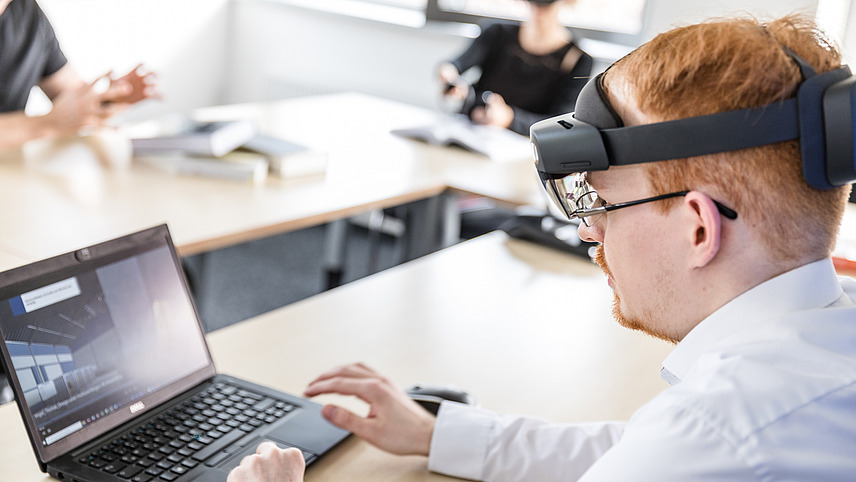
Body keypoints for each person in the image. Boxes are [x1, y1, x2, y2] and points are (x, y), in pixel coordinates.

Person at [228, 14, 856, 482]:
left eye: (603, 202)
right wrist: (433, 431)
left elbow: (673, 450)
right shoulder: (829, 332)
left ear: (699, 228)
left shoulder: (720, 437)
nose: (589, 230)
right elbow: (634, 448)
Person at [0, 0, 157, 151]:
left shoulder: (29, 14)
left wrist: (111, 98)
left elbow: (75, 98)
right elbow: (60, 120)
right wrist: (49, 123)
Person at [437, 0, 592, 136]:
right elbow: (455, 65)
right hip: (469, 133)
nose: (539, 8)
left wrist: (509, 118)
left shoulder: (577, 60)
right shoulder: (496, 33)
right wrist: (450, 76)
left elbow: (561, 124)